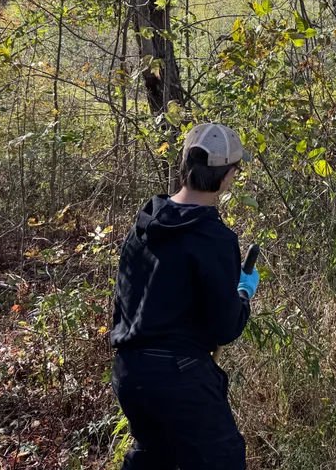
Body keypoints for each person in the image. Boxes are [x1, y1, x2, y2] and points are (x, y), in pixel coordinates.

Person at [109, 123, 260, 469]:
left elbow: (127, 299)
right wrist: (242, 293)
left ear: (184, 166)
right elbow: (225, 329)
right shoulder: (214, 238)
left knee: (153, 456)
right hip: (179, 379)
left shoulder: (143, 223)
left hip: (129, 374)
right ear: (227, 177)